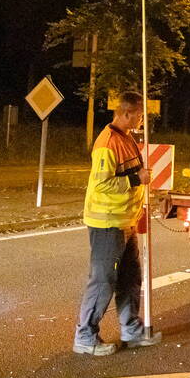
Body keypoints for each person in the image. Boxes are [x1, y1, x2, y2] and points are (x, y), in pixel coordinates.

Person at [73, 91, 162, 356]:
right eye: (139, 115)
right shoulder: (108, 143)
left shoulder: (126, 139)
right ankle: (85, 337)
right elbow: (102, 183)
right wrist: (137, 179)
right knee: (102, 281)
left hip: (125, 220)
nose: (143, 120)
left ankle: (131, 330)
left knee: (130, 278)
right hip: (107, 223)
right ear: (126, 113)